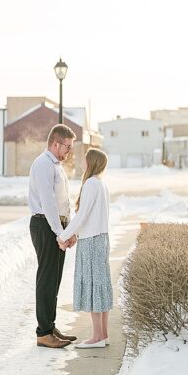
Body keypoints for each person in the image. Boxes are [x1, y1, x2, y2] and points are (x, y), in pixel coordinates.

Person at [56, 147, 114, 349]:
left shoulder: (90, 184)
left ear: (91, 162)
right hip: (102, 239)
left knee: (92, 285)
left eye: (85, 159)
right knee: (100, 285)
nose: (82, 162)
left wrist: (63, 236)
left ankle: (97, 337)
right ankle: (103, 335)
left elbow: (82, 216)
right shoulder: (101, 184)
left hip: (91, 241)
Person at [28, 124, 79, 349]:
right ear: (55, 143)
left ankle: (50, 326)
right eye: (67, 146)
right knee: (47, 278)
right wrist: (60, 232)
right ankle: (43, 332)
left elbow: (63, 201)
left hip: (56, 225)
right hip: (45, 225)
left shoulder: (56, 165)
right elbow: (48, 202)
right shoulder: (43, 164)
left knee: (55, 279)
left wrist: (68, 230)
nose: (69, 151)